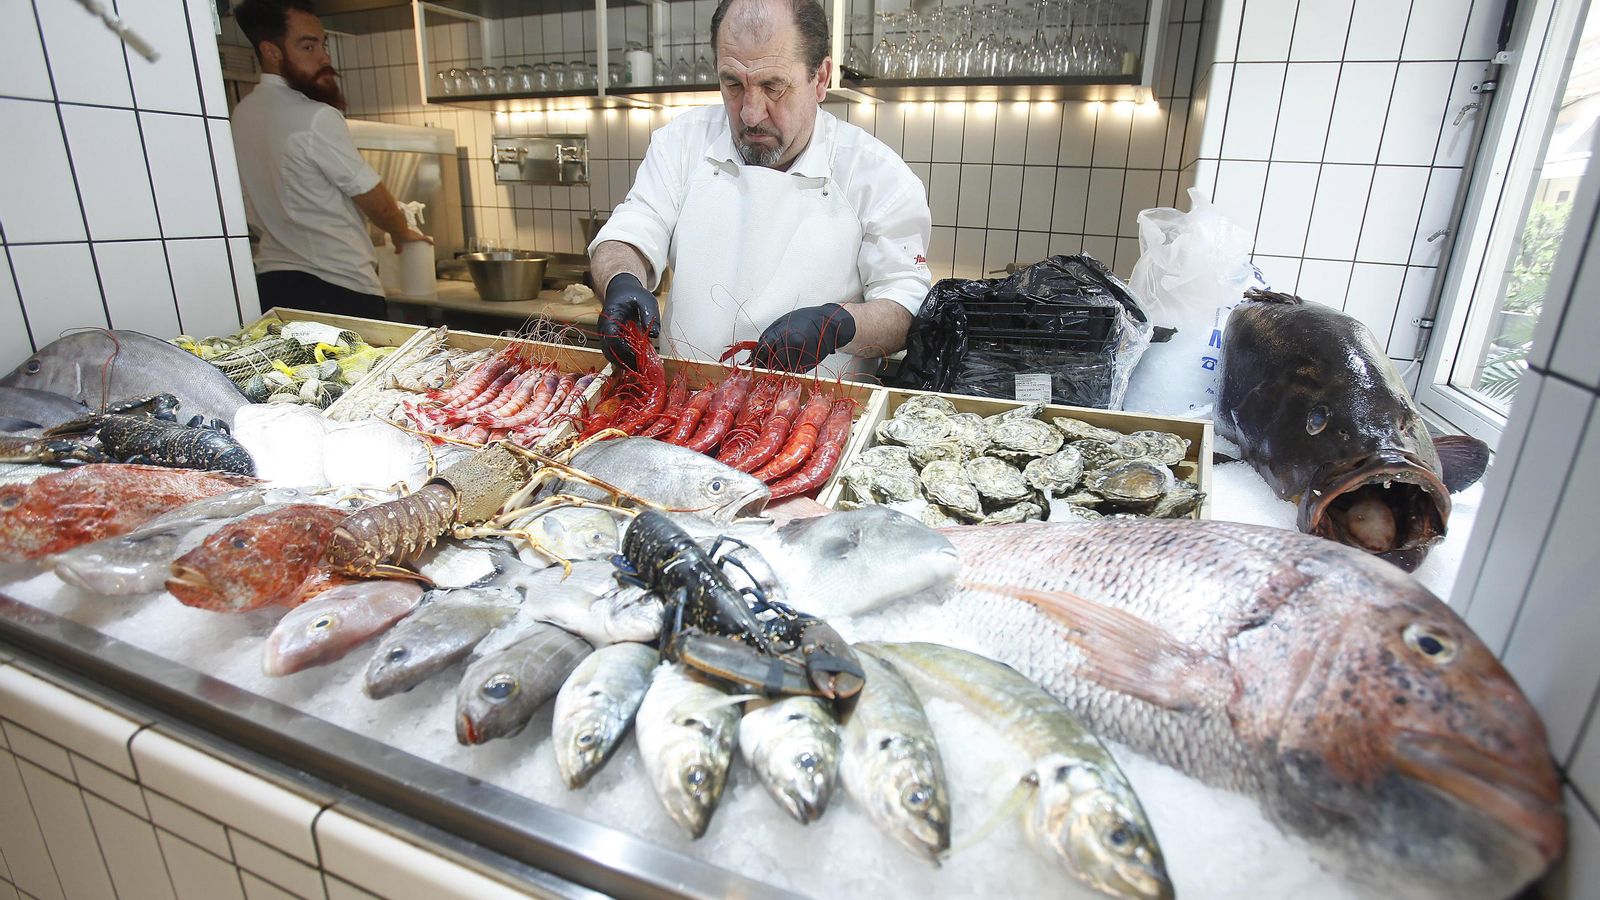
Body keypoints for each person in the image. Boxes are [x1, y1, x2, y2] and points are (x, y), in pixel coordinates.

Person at [588, 0, 932, 374]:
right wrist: (621, 280)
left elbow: (905, 308)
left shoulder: (877, 175)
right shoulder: (680, 143)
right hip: (684, 398)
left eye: (773, 86)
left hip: (815, 407)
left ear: (820, 79)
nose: (750, 114)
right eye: (733, 84)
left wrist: (838, 326)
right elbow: (629, 233)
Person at [231, 0, 428, 320]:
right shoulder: (315, 117)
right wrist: (401, 231)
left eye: (323, 44)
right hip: (337, 290)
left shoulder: (242, 114)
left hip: (272, 287)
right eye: (308, 46)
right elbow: (375, 200)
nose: (324, 57)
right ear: (271, 51)